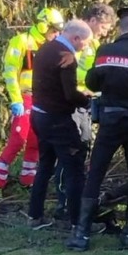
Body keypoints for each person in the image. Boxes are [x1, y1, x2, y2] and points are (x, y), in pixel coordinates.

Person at [67, 5, 128, 251]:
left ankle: (81, 235)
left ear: (120, 27)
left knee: (96, 174)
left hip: (110, 120)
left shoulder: (105, 51)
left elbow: (91, 81)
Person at [0, 6, 64, 202]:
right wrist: (16, 99)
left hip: (43, 98)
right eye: (55, 30)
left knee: (36, 140)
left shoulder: (52, 46)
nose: (58, 34)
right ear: (44, 27)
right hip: (25, 97)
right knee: (18, 139)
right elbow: (10, 72)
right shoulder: (21, 42)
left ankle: (28, 179)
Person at [26, 19, 93, 230]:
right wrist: (88, 100)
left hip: (39, 116)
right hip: (58, 121)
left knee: (45, 166)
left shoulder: (46, 48)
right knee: (74, 170)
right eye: (86, 43)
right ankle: (78, 223)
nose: (86, 47)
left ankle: (34, 216)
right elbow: (69, 94)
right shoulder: (67, 57)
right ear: (76, 38)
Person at [53, 1, 117, 219]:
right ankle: (64, 202)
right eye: (104, 26)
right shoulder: (79, 43)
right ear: (92, 20)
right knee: (70, 153)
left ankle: (76, 198)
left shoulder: (96, 44)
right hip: (75, 102)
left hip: (87, 103)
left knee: (83, 149)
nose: (106, 32)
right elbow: (71, 73)